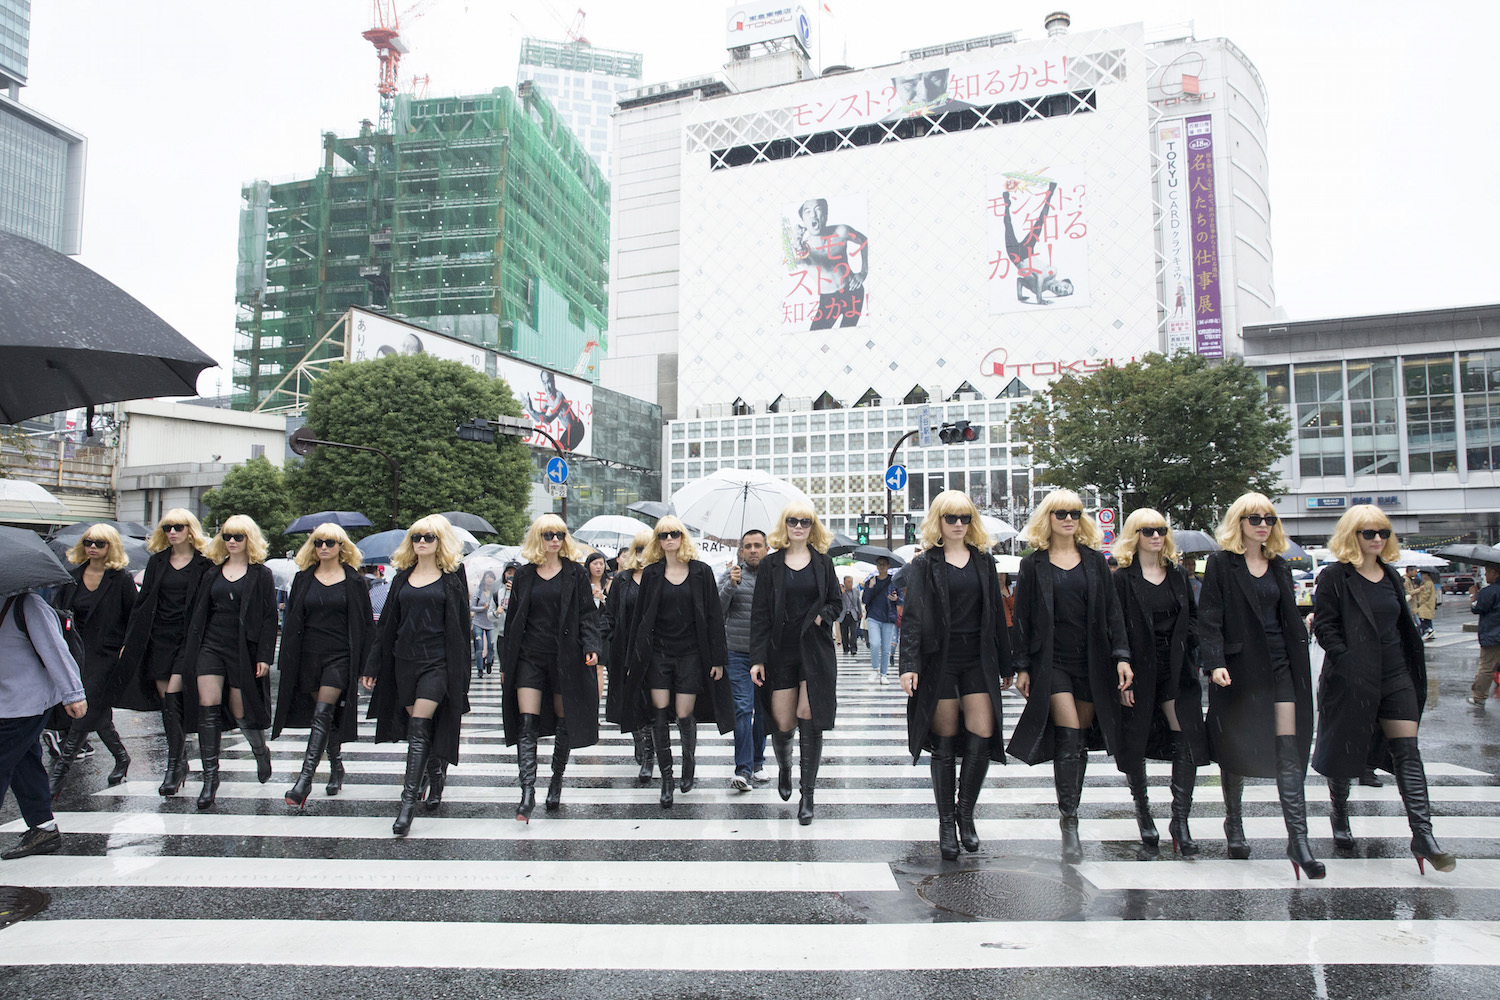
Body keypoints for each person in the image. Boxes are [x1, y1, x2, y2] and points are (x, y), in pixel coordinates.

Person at [1312, 505, 1455, 873]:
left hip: (1395, 675)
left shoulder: (1391, 575)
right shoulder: (1335, 577)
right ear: (1351, 535)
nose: (1378, 539)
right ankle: (1339, 813)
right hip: (1351, 677)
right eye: (1369, 533)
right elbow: (1326, 628)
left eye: (1383, 533)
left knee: (1408, 751)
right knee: (1345, 750)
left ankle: (1423, 834)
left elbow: (1401, 628)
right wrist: (1348, 661)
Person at [1198, 494, 1322, 879]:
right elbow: (1210, 617)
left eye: (1269, 518)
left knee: (1289, 748)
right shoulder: (1221, 564)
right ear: (1240, 523)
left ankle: (1298, 841)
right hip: (1239, 668)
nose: (1263, 524)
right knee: (1237, 747)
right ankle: (1233, 823)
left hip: (1282, 665)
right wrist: (1214, 661)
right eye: (1255, 519)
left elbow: (1287, 616)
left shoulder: (1280, 566)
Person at [1007, 489, 1131, 863]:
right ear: (1049, 518)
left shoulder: (1095, 562)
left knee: (1078, 743)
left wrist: (1122, 657)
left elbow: (1113, 614)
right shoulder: (1034, 565)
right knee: (1069, 732)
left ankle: (1070, 808)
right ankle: (1070, 820)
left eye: (1075, 512)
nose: (1068, 518)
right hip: (1052, 663)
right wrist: (1023, 665)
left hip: (1091, 663)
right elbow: (1023, 619)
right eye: (1061, 512)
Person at [899, 491, 1012, 860]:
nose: (959, 524)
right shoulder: (925, 564)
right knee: (945, 742)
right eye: (951, 518)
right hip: (939, 660)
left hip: (978, 659)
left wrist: (1007, 663)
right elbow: (913, 617)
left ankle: (966, 814)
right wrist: (909, 665)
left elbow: (997, 614)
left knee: (982, 732)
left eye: (965, 517)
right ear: (938, 522)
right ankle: (946, 822)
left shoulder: (983, 561)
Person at [361, 515, 472, 836]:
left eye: (428, 537)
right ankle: (436, 776)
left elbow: (461, 630)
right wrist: (372, 665)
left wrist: (461, 677)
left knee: (421, 725)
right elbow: (386, 628)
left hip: (437, 662)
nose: (421, 541)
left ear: (440, 541)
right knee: (417, 730)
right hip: (403, 662)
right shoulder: (401, 578)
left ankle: (407, 804)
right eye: (416, 537)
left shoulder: (451, 578)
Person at [1110, 509, 1208, 857]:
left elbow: (1193, 617)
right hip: (1138, 668)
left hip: (1178, 666)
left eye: (1161, 530)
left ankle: (1179, 819)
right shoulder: (1122, 579)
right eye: (1147, 530)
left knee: (1187, 737)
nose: (1156, 536)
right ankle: (1143, 809)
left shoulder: (1179, 575)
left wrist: (1191, 645)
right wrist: (1122, 668)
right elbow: (1115, 626)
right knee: (1135, 741)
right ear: (1134, 535)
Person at [622, 515, 732, 809]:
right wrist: (634, 656)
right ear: (657, 541)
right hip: (658, 654)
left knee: (684, 714)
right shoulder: (653, 573)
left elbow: (713, 618)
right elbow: (640, 619)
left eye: (674, 534)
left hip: (691, 654)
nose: (669, 539)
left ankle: (689, 762)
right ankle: (667, 779)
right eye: (663, 535)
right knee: (659, 714)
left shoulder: (701, 572)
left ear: (683, 537)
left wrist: (718, 658)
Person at [499, 515, 600, 821]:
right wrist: (507, 662)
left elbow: (586, 614)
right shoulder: (525, 575)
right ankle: (527, 792)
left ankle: (555, 781)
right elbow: (513, 620)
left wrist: (592, 645)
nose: (554, 539)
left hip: (565, 658)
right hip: (529, 656)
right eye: (547, 534)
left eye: (559, 534)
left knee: (563, 722)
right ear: (538, 538)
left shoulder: (575, 574)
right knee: (526, 723)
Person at [750, 502, 843, 824]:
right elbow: (760, 613)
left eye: (805, 521)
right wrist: (757, 658)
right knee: (783, 722)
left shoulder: (823, 563)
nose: (799, 526)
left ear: (812, 526)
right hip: (779, 652)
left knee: (809, 716)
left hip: (815, 651)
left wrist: (822, 616)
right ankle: (786, 768)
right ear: (785, 525)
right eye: (793, 521)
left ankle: (808, 795)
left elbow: (836, 601)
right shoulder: (771, 564)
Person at [178, 515, 279, 810]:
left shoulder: (261, 574)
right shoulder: (212, 573)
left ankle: (260, 751)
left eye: (238, 536)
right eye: (227, 536)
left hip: (243, 649)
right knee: (206, 708)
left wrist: (263, 656)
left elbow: (269, 617)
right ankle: (211, 779)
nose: (232, 541)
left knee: (240, 709)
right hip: (211, 645)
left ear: (249, 539)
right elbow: (200, 612)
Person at [274, 523, 374, 810]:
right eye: (319, 542)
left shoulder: (354, 581)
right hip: (308, 657)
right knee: (325, 716)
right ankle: (337, 766)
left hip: (340, 657)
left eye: (330, 542)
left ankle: (304, 782)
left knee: (322, 713)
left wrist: (367, 666)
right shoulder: (303, 578)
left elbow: (366, 625)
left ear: (341, 546)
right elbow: (292, 620)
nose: (324, 547)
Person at [118, 511, 214, 797]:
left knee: (173, 695)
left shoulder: (204, 564)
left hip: (188, 639)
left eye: (178, 527)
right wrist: (129, 640)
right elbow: (143, 602)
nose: (172, 531)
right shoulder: (157, 561)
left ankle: (174, 766)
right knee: (167, 703)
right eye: (167, 527)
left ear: (190, 530)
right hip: (158, 638)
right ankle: (179, 760)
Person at [48, 524, 139, 798]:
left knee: (85, 710)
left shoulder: (120, 579)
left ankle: (58, 776)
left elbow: (133, 616)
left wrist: (126, 646)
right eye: (88, 542)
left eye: (99, 543)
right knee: (96, 713)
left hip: (107, 656)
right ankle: (122, 757)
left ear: (110, 547)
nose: (93, 547)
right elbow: (56, 613)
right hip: (75, 653)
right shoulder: (72, 577)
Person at [0, 588, 86, 860]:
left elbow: (55, 649)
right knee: (24, 763)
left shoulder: (27, 603)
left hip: (26, 702)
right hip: (5, 702)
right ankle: (43, 827)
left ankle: (43, 828)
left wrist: (74, 693)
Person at [719, 528, 771, 791]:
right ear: (741, 551)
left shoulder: (775, 575)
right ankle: (743, 768)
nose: (753, 550)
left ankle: (758, 762)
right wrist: (730, 585)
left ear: (767, 549)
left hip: (766, 655)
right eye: (748, 546)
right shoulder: (731, 575)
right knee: (742, 708)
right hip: (737, 653)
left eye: (757, 545)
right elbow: (716, 610)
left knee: (762, 712)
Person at [605, 530, 654, 784]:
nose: (643, 554)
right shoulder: (622, 579)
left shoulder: (660, 577)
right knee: (630, 701)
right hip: (625, 649)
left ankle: (649, 754)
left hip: (655, 651)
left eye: (647, 548)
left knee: (651, 703)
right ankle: (641, 743)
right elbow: (610, 615)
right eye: (638, 549)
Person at [792, 198, 869, 331]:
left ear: (826, 215)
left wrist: (863, 272)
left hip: (853, 291)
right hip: (828, 301)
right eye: (808, 212)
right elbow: (795, 262)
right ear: (803, 221)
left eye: (818, 210)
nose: (813, 215)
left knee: (848, 336)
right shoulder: (804, 249)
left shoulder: (841, 231)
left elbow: (864, 241)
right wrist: (796, 243)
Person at [862, 557, 902, 685]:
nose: (882, 567)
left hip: (889, 618)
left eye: (884, 564)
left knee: (886, 648)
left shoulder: (894, 581)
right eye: (879, 564)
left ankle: (884, 674)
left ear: (889, 566)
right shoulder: (871, 581)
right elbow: (865, 600)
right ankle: (875, 669)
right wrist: (870, 587)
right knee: (874, 643)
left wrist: (896, 599)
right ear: (877, 566)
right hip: (874, 617)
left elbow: (902, 599)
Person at [1466, 565, 1500, 705]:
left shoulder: (1489, 591)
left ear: (1494, 572)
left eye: (1486, 573)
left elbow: (1477, 608)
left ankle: (1479, 697)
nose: (1485, 576)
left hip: (1493, 634)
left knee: (1487, 667)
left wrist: (1473, 595)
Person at [585, 551, 609, 699]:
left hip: (604, 630)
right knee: (587, 669)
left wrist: (603, 598)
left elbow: (615, 608)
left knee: (599, 668)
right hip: (588, 629)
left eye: (601, 563)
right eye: (595, 564)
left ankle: (595, 707)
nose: (598, 567)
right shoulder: (583, 582)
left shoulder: (611, 582)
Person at [470, 569, 499, 677]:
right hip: (478, 621)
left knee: (491, 646)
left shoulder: (496, 592)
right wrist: (482, 608)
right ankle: (479, 669)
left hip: (491, 623)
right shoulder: (478, 592)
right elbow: (471, 607)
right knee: (479, 646)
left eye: (491, 577)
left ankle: (489, 662)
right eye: (487, 577)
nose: (489, 580)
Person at [1404, 566, 1437, 640]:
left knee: (1420, 619)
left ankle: (1428, 630)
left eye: (1422, 574)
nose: (1418, 574)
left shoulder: (1427, 583)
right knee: (1424, 619)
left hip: (1425, 605)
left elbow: (1425, 594)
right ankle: (1429, 631)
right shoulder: (1407, 580)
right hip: (1423, 604)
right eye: (1415, 571)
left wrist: (1419, 601)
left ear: (1426, 575)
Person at [838, 576, 861, 656]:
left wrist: (860, 612)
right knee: (844, 632)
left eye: (851, 582)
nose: (850, 584)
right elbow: (836, 600)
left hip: (853, 614)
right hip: (843, 614)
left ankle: (853, 648)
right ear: (844, 582)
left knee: (854, 632)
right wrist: (841, 593)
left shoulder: (855, 591)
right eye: (848, 582)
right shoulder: (840, 591)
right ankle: (845, 647)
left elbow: (858, 602)